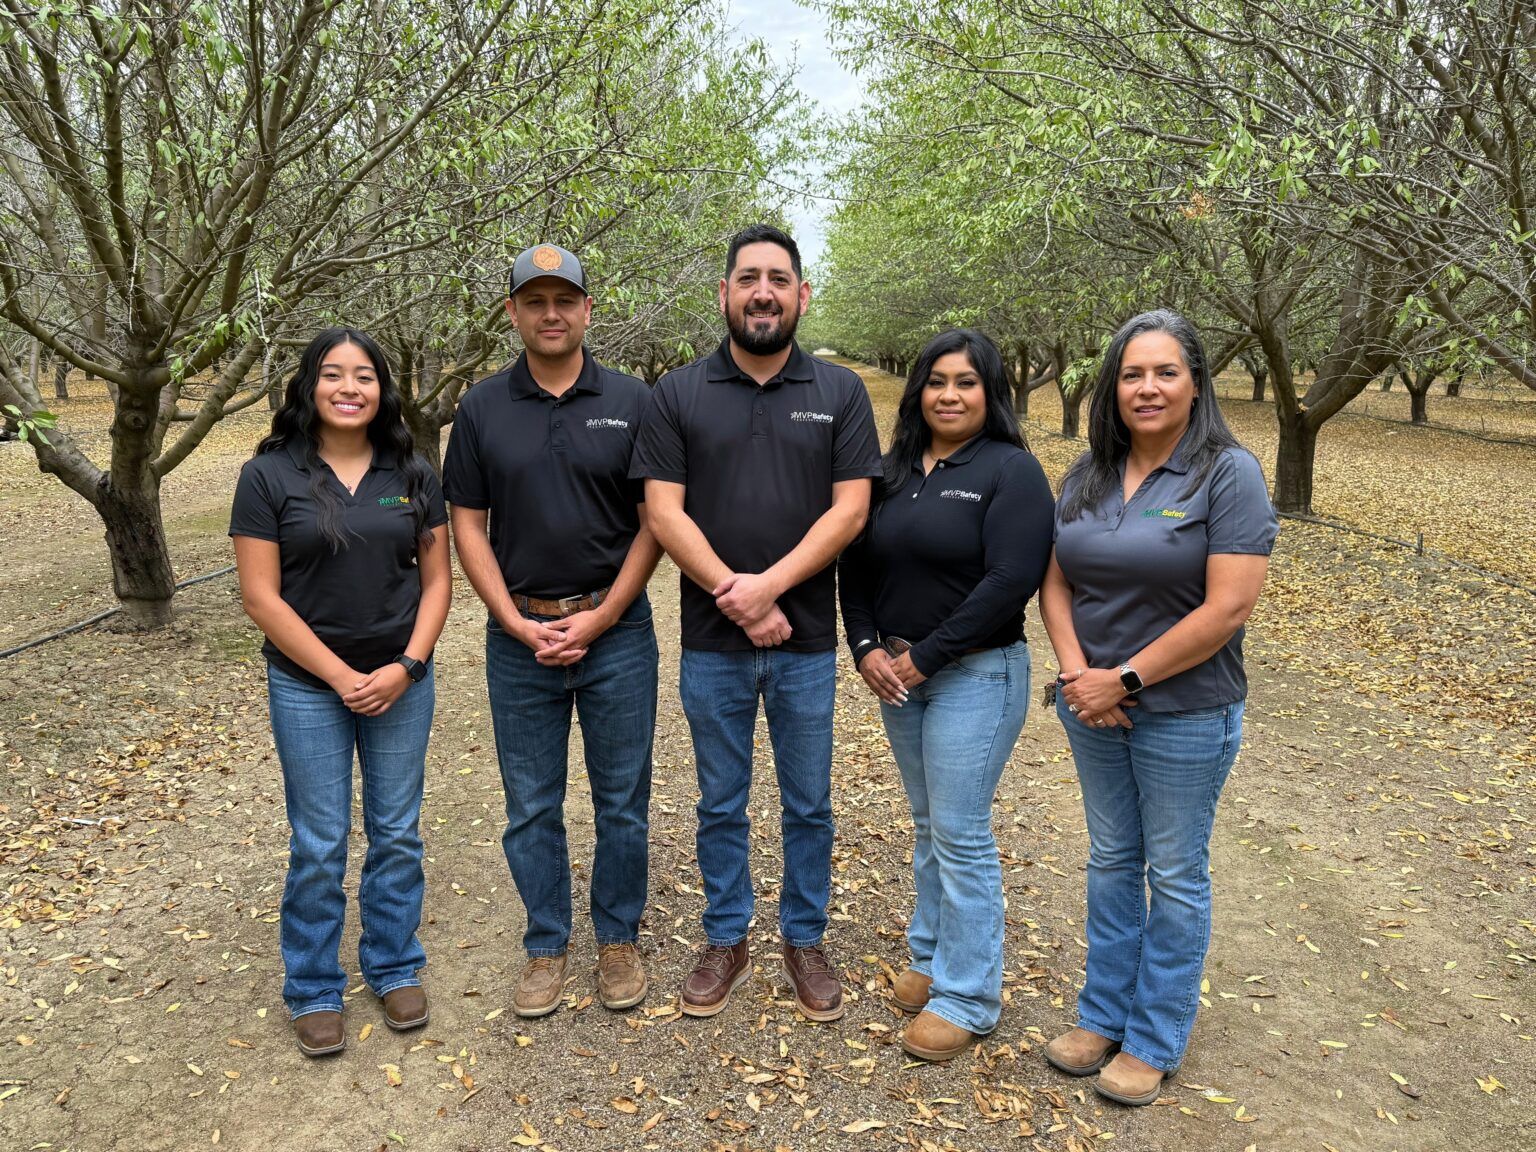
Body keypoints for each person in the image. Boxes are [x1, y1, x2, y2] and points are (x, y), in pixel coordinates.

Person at [631, 223, 882, 1021]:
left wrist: (766, 589)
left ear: (802, 294)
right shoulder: (677, 394)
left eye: (778, 279)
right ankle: (725, 938)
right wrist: (731, 594)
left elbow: (851, 511)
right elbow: (663, 513)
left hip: (805, 643)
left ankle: (804, 939)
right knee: (720, 802)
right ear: (724, 293)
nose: (763, 293)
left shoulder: (840, 393)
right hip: (712, 646)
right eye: (748, 279)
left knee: (809, 803)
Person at [1038, 310, 1277, 1105]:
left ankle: (1153, 1035)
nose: (1147, 388)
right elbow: (1055, 580)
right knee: (1111, 860)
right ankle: (1103, 1015)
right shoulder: (1088, 472)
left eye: (1165, 372)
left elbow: (1228, 607)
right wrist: (1079, 676)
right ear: (1112, 386)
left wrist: (1125, 680)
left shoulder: (1227, 474)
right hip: (1091, 707)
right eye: (1131, 374)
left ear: (1196, 383)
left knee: (1174, 873)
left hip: (1185, 713)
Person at [443, 244, 661, 1018]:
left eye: (565, 299)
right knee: (532, 804)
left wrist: (603, 616)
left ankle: (617, 938)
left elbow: (654, 522)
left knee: (622, 801)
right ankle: (545, 943)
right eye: (534, 301)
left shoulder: (634, 401)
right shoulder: (480, 408)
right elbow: (467, 525)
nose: (551, 313)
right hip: (520, 637)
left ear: (588, 309)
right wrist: (510, 619)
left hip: (617, 634)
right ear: (512, 313)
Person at [230, 328, 450, 1057]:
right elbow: (260, 597)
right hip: (307, 687)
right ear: (308, 386)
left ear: (382, 389)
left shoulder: (412, 472)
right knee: (320, 841)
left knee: (397, 831)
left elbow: (438, 582)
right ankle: (314, 986)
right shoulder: (268, 476)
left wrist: (407, 666)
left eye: (364, 376)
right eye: (332, 374)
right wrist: (339, 676)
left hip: (400, 682)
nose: (349, 388)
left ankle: (393, 964)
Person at [839, 328, 1055, 1061]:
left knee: (961, 832)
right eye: (936, 381)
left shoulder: (1011, 471)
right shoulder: (891, 471)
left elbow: (1009, 581)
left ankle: (969, 994)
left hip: (977, 674)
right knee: (930, 823)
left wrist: (924, 659)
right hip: (899, 675)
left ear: (991, 392)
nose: (950, 395)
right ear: (917, 391)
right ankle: (930, 954)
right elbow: (855, 567)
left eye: (966, 382)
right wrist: (865, 647)